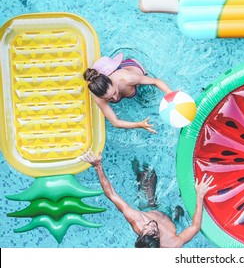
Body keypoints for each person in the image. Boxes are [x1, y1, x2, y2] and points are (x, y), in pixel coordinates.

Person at [79, 150, 215, 248]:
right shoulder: (172, 243)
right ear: (158, 238)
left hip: (150, 207)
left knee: (148, 174)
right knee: (180, 211)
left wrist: (98, 167)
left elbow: (111, 194)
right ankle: (176, 217)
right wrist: (200, 196)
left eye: (145, 229)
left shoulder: (137, 220)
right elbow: (195, 227)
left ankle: (135, 163)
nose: (150, 224)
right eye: (153, 230)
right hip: (169, 218)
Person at [83, 53, 173, 133]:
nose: (115, 98)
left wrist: (171, 94)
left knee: (148, 95)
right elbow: (115, 122)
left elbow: (156, 82)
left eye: (114, 93)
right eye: (109, 99)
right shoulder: (98, 97)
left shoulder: (127, 79)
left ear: (111, 81)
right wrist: (139, 124)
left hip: (134, 68)